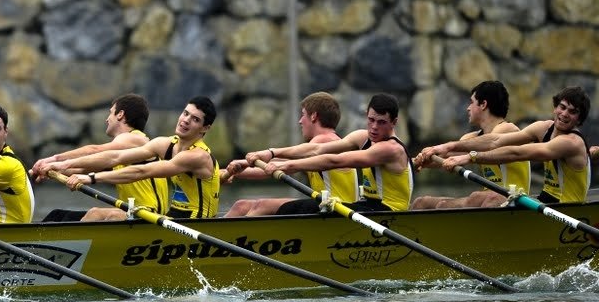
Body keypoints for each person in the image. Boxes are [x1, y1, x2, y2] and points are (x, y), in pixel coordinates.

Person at [41, 96, 220, 219]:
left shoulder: (197, 156)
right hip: (171, 216)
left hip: (197, 222)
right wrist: (61, 166)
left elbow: (142, 171)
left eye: (195, 119)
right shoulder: (164, 144)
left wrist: (90, 178)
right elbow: (115, 157)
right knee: (93, 213)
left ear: (205, 128)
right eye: (185, 113)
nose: (186, 120)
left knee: (110, 215)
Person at [417, 86, 592, 204]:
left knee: (481, 197)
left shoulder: (571, 143)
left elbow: (518, 153)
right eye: (562, 107)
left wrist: (471, 157)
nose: (564, 114)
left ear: (579, 119)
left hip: (567, 210)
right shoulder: (543, 128)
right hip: (544, 201)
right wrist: (447, 147)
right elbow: (495, 141)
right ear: (555, 107)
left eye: (573, 112)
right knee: (421, 202)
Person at [261, 93, 413, 214]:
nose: (374, 127)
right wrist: (272, 153)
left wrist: (286, 165)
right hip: (368, 206)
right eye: (371, 120)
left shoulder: (391, 149)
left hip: (390, 213)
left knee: (307, 208)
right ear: (366, 114)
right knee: (304, 207)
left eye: (381, 122)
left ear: (394, 122)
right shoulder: (362, 137)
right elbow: (317, 150)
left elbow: (335, 161)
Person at [31, 94, 168, 222]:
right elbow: (85, 167)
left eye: (110, 112)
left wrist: (54, 160)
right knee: (58, 216)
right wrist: (50, 172)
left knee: (95, 213)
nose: (107, 119)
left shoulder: (136, 138)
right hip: (133, 211)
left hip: (148, 215)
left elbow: (94, 150)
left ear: (120, 114)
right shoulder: (124, 149)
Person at [222, 92, 359, 217]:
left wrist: (237, 169)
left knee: (261, 206)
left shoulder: (324, 140)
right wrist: (230, 171)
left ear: (313, 116)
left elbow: (272, 169)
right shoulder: (325, 142)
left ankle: (243, 241)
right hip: (322, 204)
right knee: (241, 206)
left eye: (303, 114)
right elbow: (275, 163)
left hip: (339, 210)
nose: (300, 121)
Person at [411, 81, 531, 209]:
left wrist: (446, 146)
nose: (468, 108)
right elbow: (447, 157)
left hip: (514, 199)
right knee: (421, 202)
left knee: (474, 198)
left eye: (472, 102)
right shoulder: (471, 138)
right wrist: (420, 161)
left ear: (483, 104)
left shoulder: (509, 130)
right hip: (486, 198)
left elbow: (490, 141)